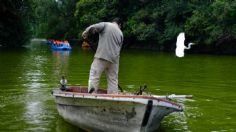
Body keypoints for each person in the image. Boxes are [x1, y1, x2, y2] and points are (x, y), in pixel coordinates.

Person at [82, 18, 123, 94]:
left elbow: (93, 27)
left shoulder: (106, 25)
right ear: (119, 25)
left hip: (102, 57)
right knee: (113, 80)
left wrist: (86, 32)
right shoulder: (121, 33)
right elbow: (119, 49)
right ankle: (113, 96)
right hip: (114, 60)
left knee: (94, 75)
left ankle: (92, 95)